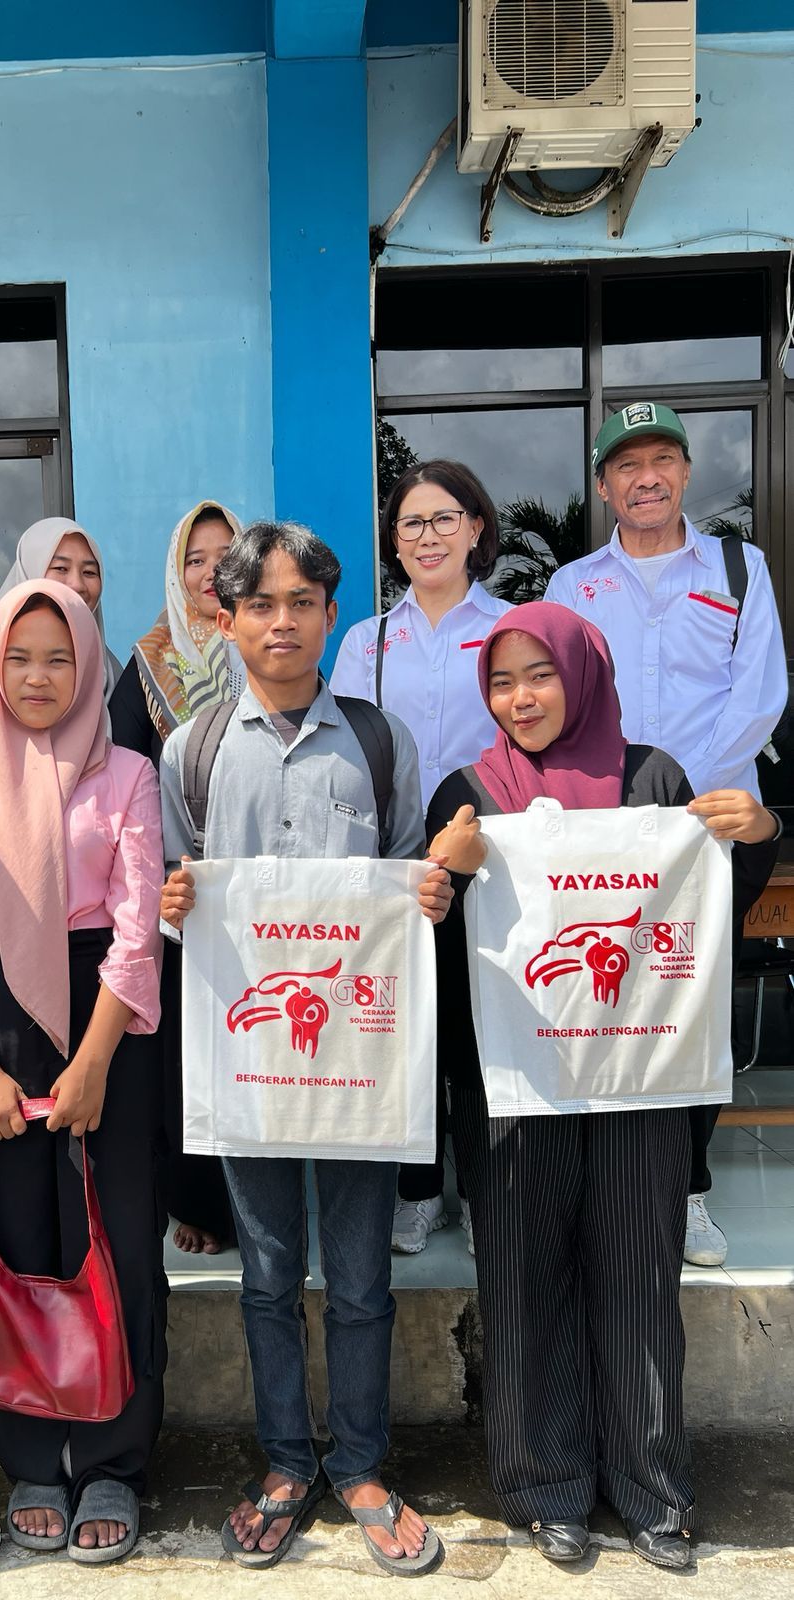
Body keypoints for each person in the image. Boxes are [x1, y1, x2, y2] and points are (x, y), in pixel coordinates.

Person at [427, 601, 779, 1571]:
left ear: (583, 674)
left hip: (637, 1080)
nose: (520, 697)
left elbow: (706, 901)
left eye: (539, 674)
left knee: (636, 1278)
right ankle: (545, 1486)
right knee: (523, 1282)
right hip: (512, 1087)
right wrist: (445, 878)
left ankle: (651, 1489)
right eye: (501, 681)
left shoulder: (652, 778)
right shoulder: (466, 794)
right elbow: (429, 940)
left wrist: (754, 832)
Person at [159, 522, 453, 1576]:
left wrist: (427, 895)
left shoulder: (378, 742)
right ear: (225, 617)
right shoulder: (190, 752)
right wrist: (173, 908)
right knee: (268, 1274)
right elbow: (175, 909)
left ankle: (362, 1465)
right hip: (251, 1067)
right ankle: (287, 1461)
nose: (280, 622)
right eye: (259, 604)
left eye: (301, 603)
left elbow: (407, 890)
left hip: (355, 1063)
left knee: (362, 1277)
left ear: (331, 615)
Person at [0, 580, 166, 1565]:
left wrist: (96, 1059)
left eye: (58, 657)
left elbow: (137, 932)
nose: (37, 676)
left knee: (118, 1241)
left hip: (106, 1022)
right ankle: (28, 1455)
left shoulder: (127, 773)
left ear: (88, 667)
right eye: (17, 656)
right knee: (12, 1237)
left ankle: (112, 1458)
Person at [545, 402, 787, 1268]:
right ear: (604, 485)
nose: (645, 478)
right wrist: (613, 807)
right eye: (626, 464)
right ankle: (611, 1178)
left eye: (661, 460)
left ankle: (685, 1190)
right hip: (606, 836)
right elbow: (558, 704)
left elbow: (758, 694)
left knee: (692, 1007)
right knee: (606, 1001)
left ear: (684, 472)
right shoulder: (572, 586)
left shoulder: (738, 567)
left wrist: (677, 802)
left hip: (712, 827)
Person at [331, 460, 512, 1257]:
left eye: (444, 519)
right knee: (405, 1029)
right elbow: (346, 747)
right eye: (411, 523)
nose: (428, 536)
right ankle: (415, 1190)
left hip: (491, 850)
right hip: (398, 857)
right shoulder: (367, 641)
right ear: (394, 542)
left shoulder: (512, 626)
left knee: (479, 1031)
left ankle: (479, 1189)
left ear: (475, 528)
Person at [110, 499, 244, 1255]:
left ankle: (263, 1194)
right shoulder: (148, 663)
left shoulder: (268, 643)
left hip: (259, 881)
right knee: (186, 1053)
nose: (211, 572)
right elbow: (125, 777)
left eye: (226, 556)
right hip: (178, 889)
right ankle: (198, 1203)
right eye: (195, 559)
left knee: (256, 1033)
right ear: (175, 570)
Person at [0, 517, 122, 734]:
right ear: (31, 570)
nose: (77, 584)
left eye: (89, 572)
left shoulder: (108, 666)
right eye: (61, 568)